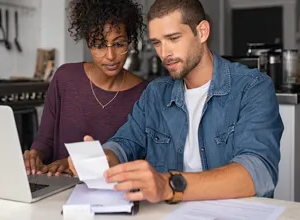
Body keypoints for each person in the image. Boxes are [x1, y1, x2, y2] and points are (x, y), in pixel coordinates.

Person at [69, 0, 284, 204]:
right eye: (157, 43)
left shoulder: (253, 87)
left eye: (173, 39)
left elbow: (258, 171)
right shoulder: (155, 93)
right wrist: (103, 159)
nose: (165, 53)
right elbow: (125, 143)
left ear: (202, 32)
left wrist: (170, 185)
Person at [24, 0, 148, 177]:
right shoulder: (65, 78)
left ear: (130, 41)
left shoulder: (144, 94)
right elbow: (45, 140)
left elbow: (138, 157)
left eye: (119, 44)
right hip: (59, 188)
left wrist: (72, 164)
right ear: (88, 44)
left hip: (113, 194)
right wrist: (36, 155)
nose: (110, 56)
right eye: (99, 45)